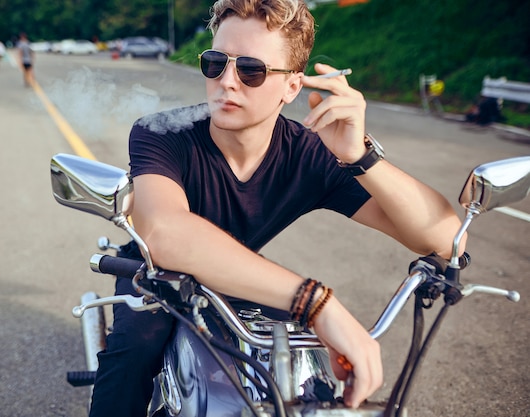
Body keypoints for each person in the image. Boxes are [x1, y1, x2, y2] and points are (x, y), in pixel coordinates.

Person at [88, 0, 465, 416]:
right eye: (215, 63)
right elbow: (165, 234)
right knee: (133, 350)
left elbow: (445, 238)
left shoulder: (310, 154)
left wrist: (360, 157)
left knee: (302, 371)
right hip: (155, 274)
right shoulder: (161, 134)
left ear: (292, 87)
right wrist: (318, 303)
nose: (227, 82)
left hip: (238, 275)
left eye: (251, 69)